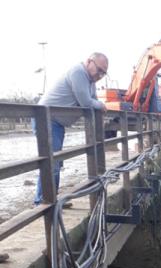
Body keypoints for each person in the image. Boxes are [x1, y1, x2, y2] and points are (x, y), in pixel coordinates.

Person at [34, 52, 108, 205]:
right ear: (89, 61)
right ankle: (43, 201)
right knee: (51, 163)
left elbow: (92, 99)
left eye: (103, 72)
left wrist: (97, 103)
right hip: (46, 120)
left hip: (56, 123)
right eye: (99, 70)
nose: (100, 74)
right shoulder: (78, 72)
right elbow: (87, 102)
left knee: (56, 163)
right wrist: (100, 106)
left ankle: (51, 200)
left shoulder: (90, 80)